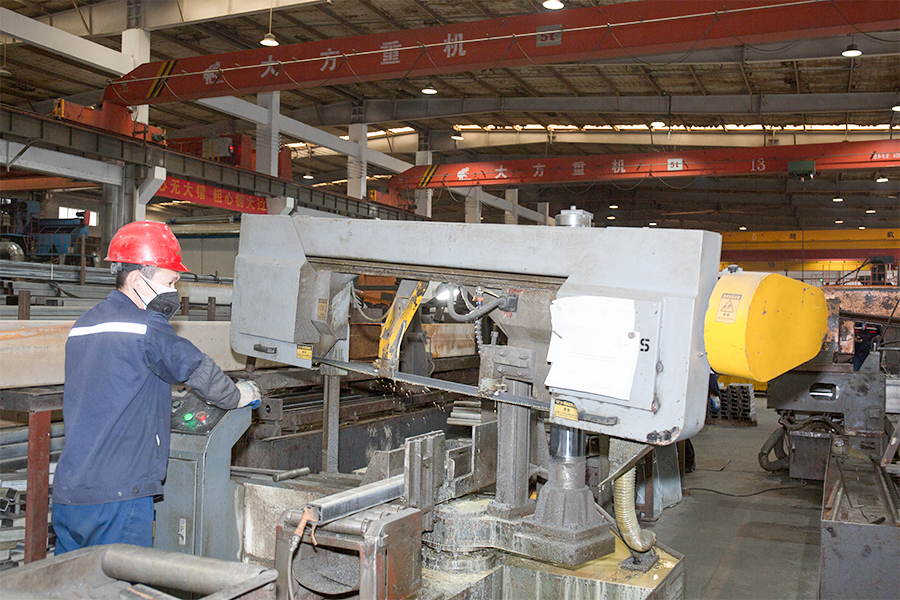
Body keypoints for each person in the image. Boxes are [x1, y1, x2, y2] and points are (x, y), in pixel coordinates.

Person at [52, 221, 260, 554]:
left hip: (70, 492)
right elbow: (197, 368)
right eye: (170, 281)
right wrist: (239, 395)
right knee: (122, 580)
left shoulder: (83, 324)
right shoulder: (147, 326)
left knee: (73, 580)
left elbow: (115, 383)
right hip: (120, 494)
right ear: (137, 280)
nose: (174, 291)